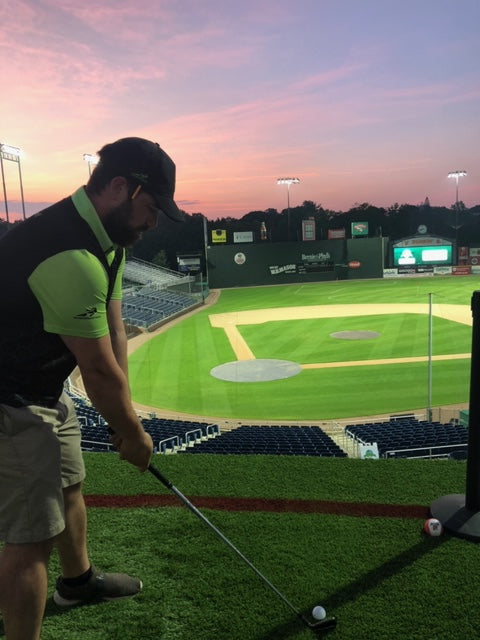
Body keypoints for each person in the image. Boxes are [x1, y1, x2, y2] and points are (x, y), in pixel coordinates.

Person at [0, 137, 185, 640]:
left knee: (69, 484)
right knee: (29, 539)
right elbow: (98, 372)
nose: (153, 223)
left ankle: (78, 583)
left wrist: (119, 420)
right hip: (9, 398)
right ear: (121, 188)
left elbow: (115, 327)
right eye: (151, 208)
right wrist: (135, 434)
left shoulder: (107, 241)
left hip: (42, 385)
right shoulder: (69, 253)